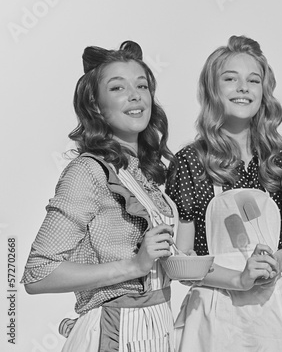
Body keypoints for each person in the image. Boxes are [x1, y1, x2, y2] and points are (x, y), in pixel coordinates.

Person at [21, 40, 179, 352]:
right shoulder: (88, 171)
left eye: (142, 85)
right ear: (95, 105)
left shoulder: (142, 172)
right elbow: (38, 274)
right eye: (118, 88)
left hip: (158, 328)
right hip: (114, 333)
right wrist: (133, 266)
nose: (135, 95)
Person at [166, 35, 282, 351]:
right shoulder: (191, 161)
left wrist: (272, 266)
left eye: (253, 80)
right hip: (212, 315)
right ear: (212, 90)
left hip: (275, 314)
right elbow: (182, 259)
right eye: (231, 79)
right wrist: (239, 279)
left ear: (263, 93)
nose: (244, 88)